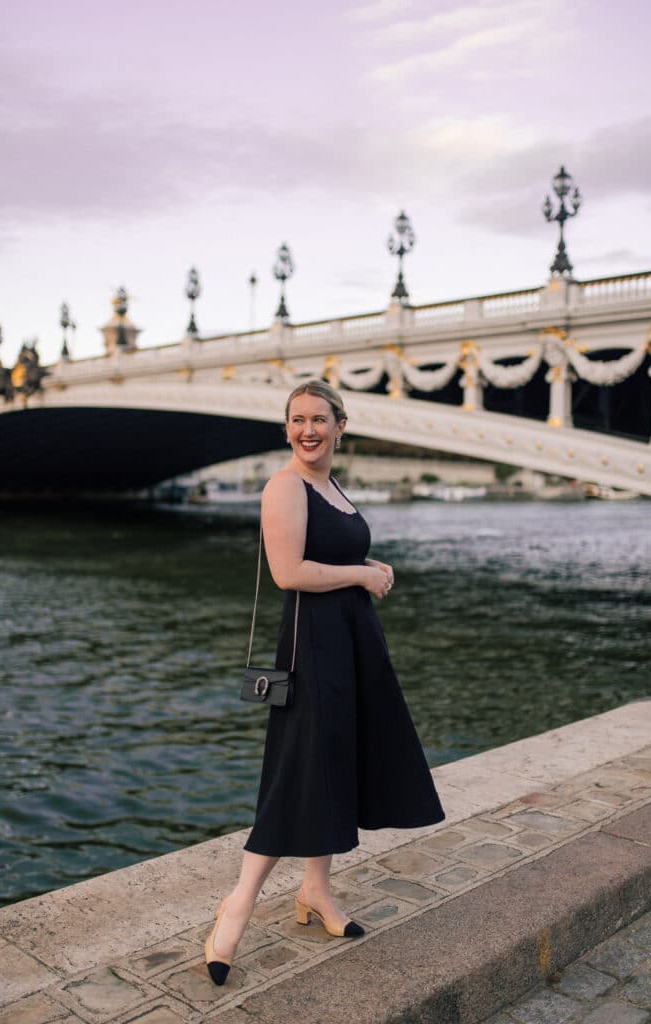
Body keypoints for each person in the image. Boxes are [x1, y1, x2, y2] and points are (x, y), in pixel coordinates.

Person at [205, 379, 445, 985]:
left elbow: (334, 558)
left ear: (341, 425)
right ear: (286, 429)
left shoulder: (330, 486)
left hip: (350, 647)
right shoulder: (285, 486)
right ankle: (238, 904)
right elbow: (289, 573)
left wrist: (368, 568)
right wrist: (361, 576)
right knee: (299, 771)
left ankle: (315, 890)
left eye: (319, 419)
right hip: (312, 649)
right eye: (297, 420)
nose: (307, 429)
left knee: (334, 763)